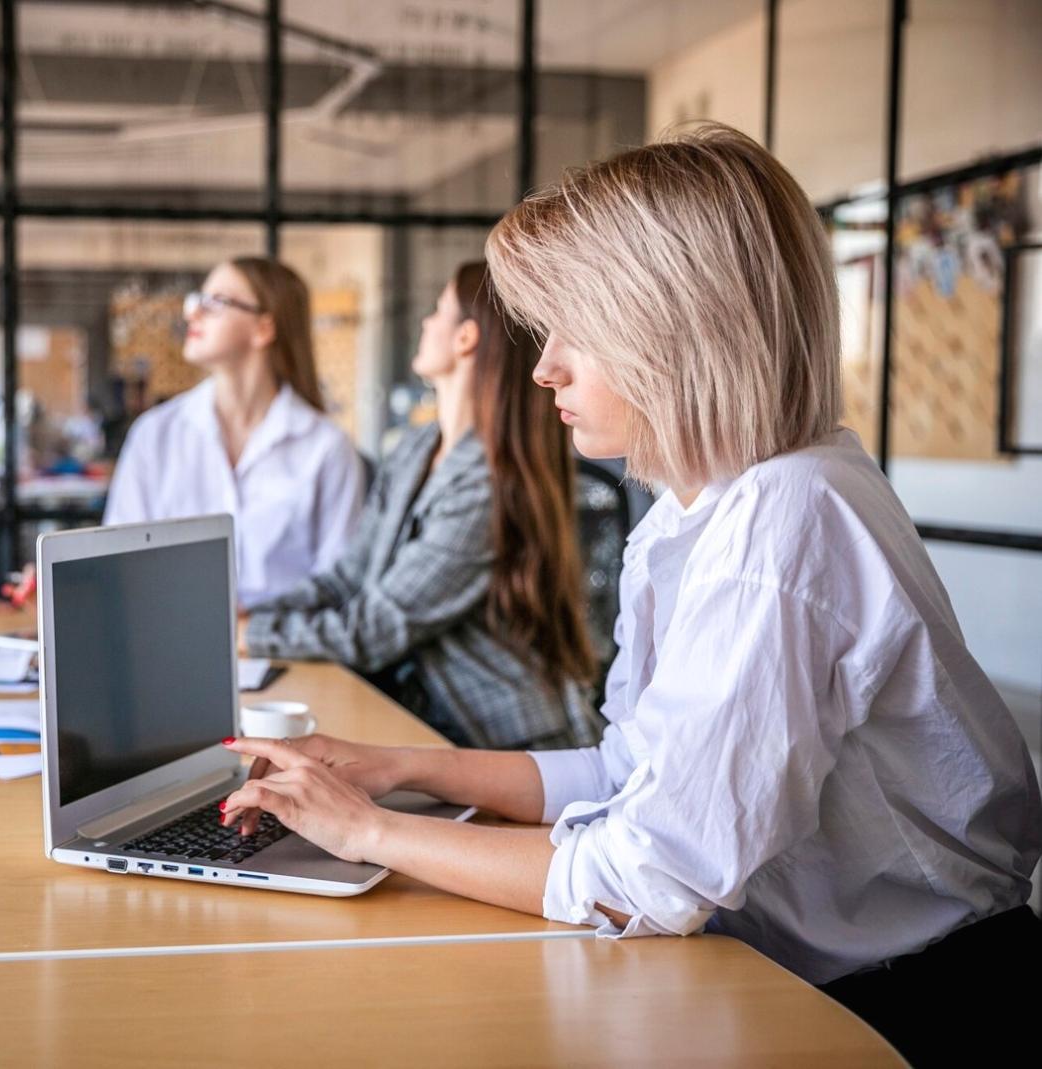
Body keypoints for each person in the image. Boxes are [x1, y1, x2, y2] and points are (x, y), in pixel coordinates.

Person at [215, 125, 1041, 1066]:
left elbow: (647, 877)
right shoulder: (706, 507)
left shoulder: (781, 521)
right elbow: (629, 776)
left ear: (674, 327)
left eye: (579, 329)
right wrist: (400, 768)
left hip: (915, 1009)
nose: (545, 367)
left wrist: (367, 831)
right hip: (823, 979)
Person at [242, 261, 596, 751]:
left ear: (466, 338)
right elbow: (347, 578)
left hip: (500, 738)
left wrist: (253, 634)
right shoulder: (417, 448)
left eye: (438, 310)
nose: (426, 322)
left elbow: (377, 630)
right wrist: (250, 614)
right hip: (421, 716)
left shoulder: (488, 482)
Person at [103, 258, 364, 609]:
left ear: (263, 329)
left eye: (216, 302)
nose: (193, 313)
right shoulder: (155, 435)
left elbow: (340, 585)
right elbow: (120, 563)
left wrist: (253, 625)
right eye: (197, 300)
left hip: (285, 639)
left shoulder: (327, 448)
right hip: (172, 634)